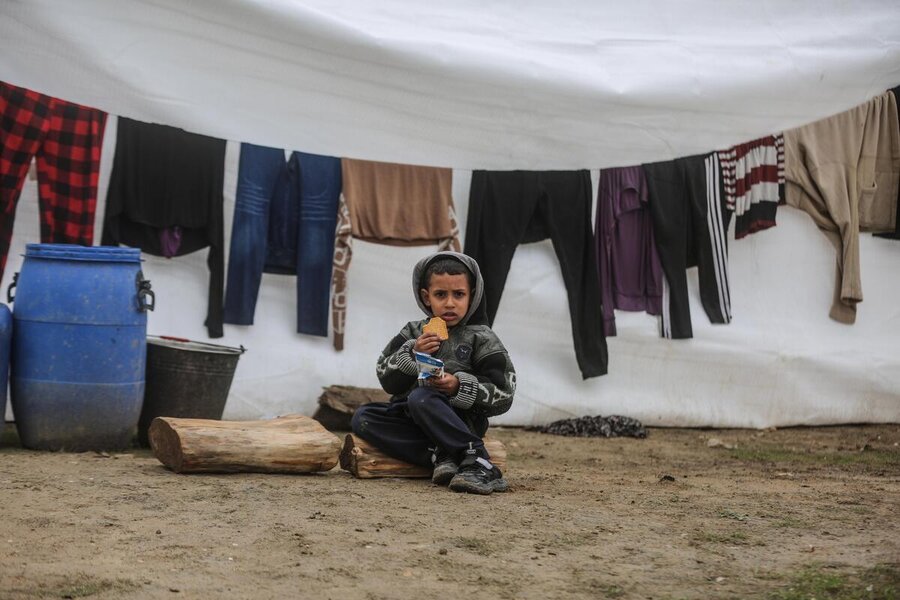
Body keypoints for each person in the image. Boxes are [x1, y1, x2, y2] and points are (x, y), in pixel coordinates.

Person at [351, 251, 516, 494]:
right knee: (363, 417)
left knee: (422, 397)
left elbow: (504, 394)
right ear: (426, 297)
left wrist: (459, 386)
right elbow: (386, 378)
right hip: (412, 418)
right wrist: (412, 354)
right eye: (441, 295)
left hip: (460, 421)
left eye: (458, 294)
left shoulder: (482, 337)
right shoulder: (414, 332)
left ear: (472, 296)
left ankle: (479, 460)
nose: (450, 303)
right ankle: (443, 455)